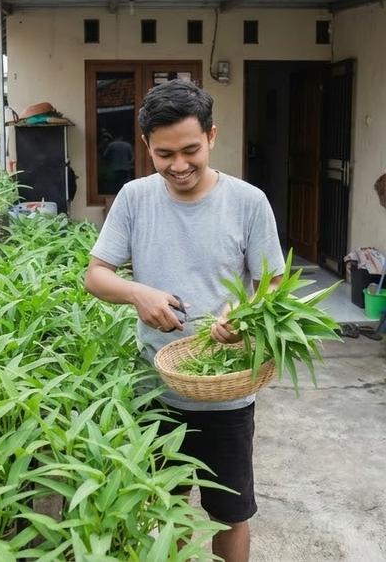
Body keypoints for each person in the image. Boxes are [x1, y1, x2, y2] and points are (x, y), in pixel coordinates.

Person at [84, 79, 283, 562]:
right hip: (154, 387)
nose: (179, 166)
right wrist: (137, 293)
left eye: (191, 150)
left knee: (231, 512)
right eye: (164, 154)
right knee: (160, 508)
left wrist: (246, 312)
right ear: (147, 147)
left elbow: (273, 283)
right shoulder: (133, 198)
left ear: (212, 137)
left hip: (227, 395)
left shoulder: (248, 201)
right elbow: (95, 275)